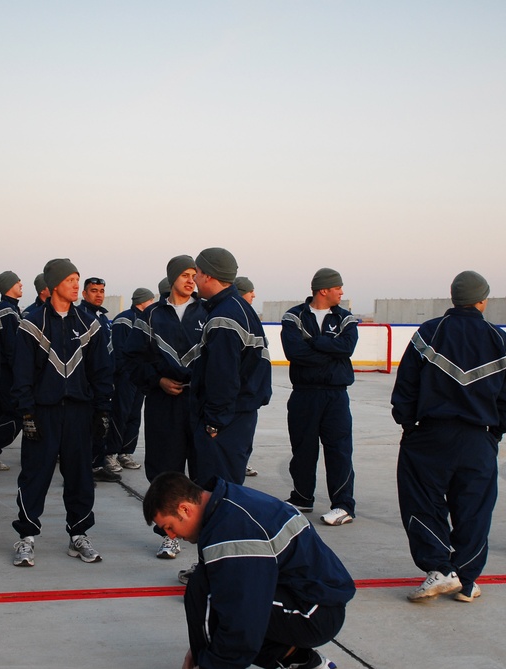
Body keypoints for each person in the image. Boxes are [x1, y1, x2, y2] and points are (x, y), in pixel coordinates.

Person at [391, 270, 506, 602]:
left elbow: (406, 385)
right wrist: (495, 432)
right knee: (474, 509)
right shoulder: (501, 340)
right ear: (482, 300)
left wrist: (408, 424)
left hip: (429, 436)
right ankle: (466, 579)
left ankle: (438, 569)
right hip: (478, 439)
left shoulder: (429, 332)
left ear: (454, 297)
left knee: (421, 501)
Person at [143, 472, 354, 669]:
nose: (171, 536)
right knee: (209, 589)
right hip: (310, 597)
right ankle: (305, 663)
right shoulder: (224, 505)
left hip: (316, 611)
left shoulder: (234, 530)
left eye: (169, 526)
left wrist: (210, 661)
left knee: (217, 603)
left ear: (185, 509)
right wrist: (199, 651)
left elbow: (242, 621)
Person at [10, 258, 114, 567]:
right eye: (70, 280)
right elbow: (22, 373)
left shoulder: (89, 325)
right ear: (54, 284)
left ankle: (79, 535)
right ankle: (26, 538)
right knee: (35, 475)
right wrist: (26, 414)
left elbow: (102, 371)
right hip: (43, 413)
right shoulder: (31, 324)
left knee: (81, 476)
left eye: (77, 280)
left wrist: (103, 410)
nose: (75, 286)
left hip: (80, 414)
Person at [125, 255, 208, 560]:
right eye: (184, 274)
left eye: (194, 274)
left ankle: (205, 536)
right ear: (172, 278)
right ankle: (168, 535)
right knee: (165, 471)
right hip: (163, 403)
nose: (190, 280)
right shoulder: (151, 316)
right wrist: (157, 379)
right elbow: (132, 360)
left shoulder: (208, 312)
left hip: (199, 403)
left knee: (203, 472)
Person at [281, 268, 358, 527]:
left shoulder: (346, 319)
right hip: (304, 395)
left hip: (336, 396)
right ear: (323, 289)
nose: (342, 292)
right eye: (338, 287)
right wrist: (330, 352)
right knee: (303, 449)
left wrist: (315, 342)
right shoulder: (294, 317)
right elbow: (295, 352)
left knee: (339, 450)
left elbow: (347, 347)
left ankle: (343, 505)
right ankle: (302, 497)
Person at [190, 248, 272, 487]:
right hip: (241, 415)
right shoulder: (239, 308)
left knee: (218, 491)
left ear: (208, 276)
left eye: (197, 272)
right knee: (230, 487)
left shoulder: (223, 317)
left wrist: (214, 422)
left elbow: (223, 376)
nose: (194, 279)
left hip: (226, 421)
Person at [107, 287, 155, 471]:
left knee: (134, 415)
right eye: (150, 301)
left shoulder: (147, 320)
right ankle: (110, 453)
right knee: (120, 413)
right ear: (141, 302)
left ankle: (125, 452)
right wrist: (123, 373)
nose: (152, 304)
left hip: (139, 377)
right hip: (125, 377)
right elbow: (119, 351)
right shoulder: (124, 320)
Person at [79, 275, 120, 482]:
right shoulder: (81, 316)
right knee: (87, 428)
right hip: (88, 383)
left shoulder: (103, 318)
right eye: (94, 291)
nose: (99, 295)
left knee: (101, 426)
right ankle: (84, 469)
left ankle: (96, 464)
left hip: (104, 381)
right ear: (84, 293)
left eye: (102, 291)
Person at [0, 270, 23, 473]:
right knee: (14, 415)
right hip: (7, 373)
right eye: (17, 282)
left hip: (7, 371)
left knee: (0, 414)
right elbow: (10, 346)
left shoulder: (12, 309)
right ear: (8, 285)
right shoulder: (6, 310)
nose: (21, 284)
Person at [235, 276, 259, 478]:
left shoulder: (250, 316)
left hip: (250, 393)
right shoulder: (235, 316)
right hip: (238, 393)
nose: (254, 295)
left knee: (246, 436)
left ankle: (242, 462)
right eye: (251, 291)